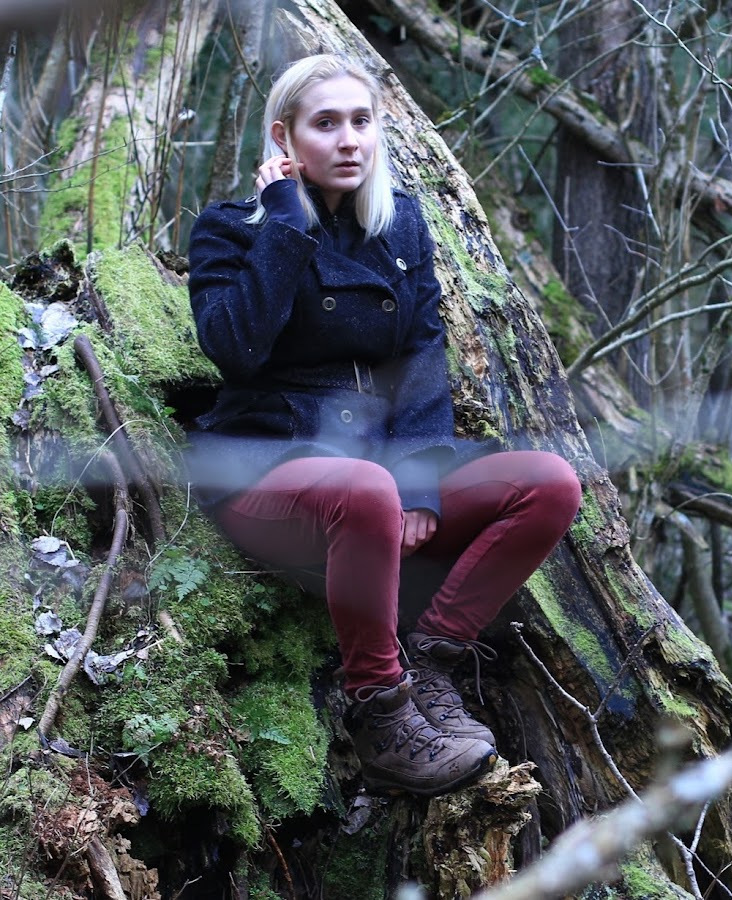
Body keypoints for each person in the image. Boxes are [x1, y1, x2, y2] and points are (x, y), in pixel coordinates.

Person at [186, 53, 582, 797]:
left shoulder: (400, 225)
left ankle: (432, 660)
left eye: (361, 121)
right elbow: (234, 349)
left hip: (378, 462)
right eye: (325, 123)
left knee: (549, 484)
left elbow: (423, 358)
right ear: (284, 136)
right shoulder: (231, 229)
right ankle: (381, 712)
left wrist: (421, 481)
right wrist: (286, 226)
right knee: (365, 487)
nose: (349, 140)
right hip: (269, 463)